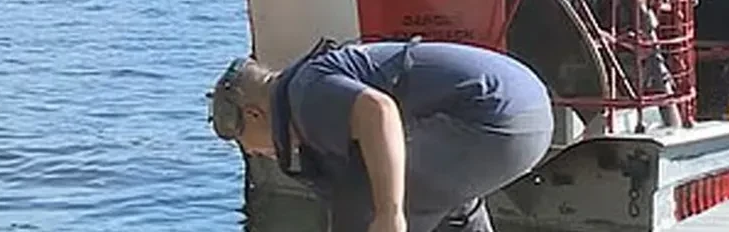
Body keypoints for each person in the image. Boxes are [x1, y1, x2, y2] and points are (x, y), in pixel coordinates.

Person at [208, 37, 555, 232]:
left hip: (493, 117)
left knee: (367, 195)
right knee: (446, 206)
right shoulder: (310, 86)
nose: (252, 153)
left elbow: (379, 111)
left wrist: (389, 214)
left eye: (242, 141)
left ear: (254, 113)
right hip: (528, 113)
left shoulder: (304, 93)